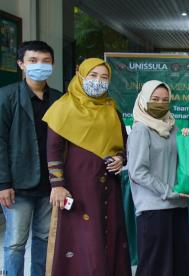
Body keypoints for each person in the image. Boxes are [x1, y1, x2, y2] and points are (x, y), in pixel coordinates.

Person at [42, 58, 131, 276]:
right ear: (80, 76)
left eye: (104, 77)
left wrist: (121, 158)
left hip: (109, 186)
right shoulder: (63, 107)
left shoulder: (111, 109)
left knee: (110, 236)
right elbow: (53, 149)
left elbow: (123, 145)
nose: (98, 81)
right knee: (83, 241)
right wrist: (58, 185)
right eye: (93, 76)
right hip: (77, 187)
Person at [0, 40, 61, 276]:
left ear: (52, 64)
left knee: (45, 238)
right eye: (33, 61)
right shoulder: (6, 97)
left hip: (51, 184)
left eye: (46, 61)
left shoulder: (59, 99)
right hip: (18, 184)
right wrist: (3, 183)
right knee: (15, 242)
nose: (40, 66)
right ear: (21, 64)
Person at [127, 80, 189, 276]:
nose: (160, 104)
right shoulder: (141, 129)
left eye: (165, 100)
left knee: (178, 266)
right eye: (155, 99)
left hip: (177, 205)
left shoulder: (173, 127)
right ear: (144, 100)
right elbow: (137, 172)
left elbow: (184, 161)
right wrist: (168, 191)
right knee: (155, 268)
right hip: (153, 209)